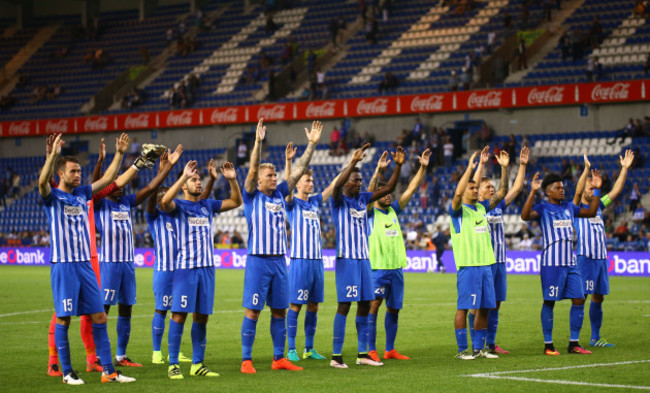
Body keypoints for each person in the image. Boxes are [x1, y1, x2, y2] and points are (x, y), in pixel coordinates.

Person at [39, 133, 136, 384]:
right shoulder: (53, 197)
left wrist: (120, 153)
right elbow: (41, 183)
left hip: (86, 266)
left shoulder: (83, 194)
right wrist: (52, 157)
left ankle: (108, 371)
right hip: (64, 265)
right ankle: (68, 372)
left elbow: (107, 179)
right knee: (64, 317)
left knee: (100, 316)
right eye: (73, 171)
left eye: (79, 171)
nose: (78, 175)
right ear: (61, 173)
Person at [240, 119, 321, 374]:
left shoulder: (279, 194)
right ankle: (246, 360)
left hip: (279, 262)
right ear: (259, 180)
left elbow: (299, 170)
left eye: (275, 175)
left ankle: (279, 358)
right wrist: (257, 142)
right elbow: (252, 170)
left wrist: (311, 145)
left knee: (279, 312)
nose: (275, 179)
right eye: (270, 176)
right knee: (253, 312)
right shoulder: (252, 196)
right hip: (258, 261)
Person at [94, 144, 179, 369]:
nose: (121, 186)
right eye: (115, 184)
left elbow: (151, 187)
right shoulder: (100, 205)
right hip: (110, 265)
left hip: (127, 266)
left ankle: (121, 357)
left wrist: (167, 167)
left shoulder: (126, 203)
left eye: (123, 183)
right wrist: (101, 162)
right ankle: (97, 357)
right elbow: (95, 187)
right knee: (103, 311)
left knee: (126, 310)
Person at [160, 158, 242, 379]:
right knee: (179, 316)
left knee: (202, 317)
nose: (198, 182)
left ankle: (197, 364)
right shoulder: (179, 206)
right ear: (184, 185)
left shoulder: (207, 205)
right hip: (185, 269)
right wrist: (183, 177)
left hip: (207, 270)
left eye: (198, 179)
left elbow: (235, 202)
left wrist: (232, 181)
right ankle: (174, 364)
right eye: (193, 179)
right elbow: (164, 202)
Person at [329, 143, 405, 368]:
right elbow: (337, 185)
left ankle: (363, 354)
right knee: (344, 305)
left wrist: (398, 166)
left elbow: (389, 186)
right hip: (347, 260)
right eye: (355, 180)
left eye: (361, 181)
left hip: (364, 261)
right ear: (347, 182)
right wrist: (353, 162)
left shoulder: (364, 199)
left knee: (364, 304)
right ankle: (336, 356)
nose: (359, 183)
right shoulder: (338, 200)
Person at [521, 161, 603, 356]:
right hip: (552, 263)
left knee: (578, 300)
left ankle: (574, 343)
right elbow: (525, 216)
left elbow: (591, 212)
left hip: (571, 263)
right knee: (550, 301)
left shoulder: (569, 207)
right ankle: (548, 344)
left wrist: (597, 190)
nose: (562, 190)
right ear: (548, 192)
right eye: (558, 188)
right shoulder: (542, 209)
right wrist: (532, 192)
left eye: (562, 187)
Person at [147, 156, 218, 365]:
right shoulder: (155, 217)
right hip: (165, 270)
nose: (163, 197)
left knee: (182, 313)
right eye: (160, 194)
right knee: (163, 309)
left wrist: (211, 181)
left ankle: (175, 354)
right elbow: (156, 201)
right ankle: (157, 351)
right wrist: (161, 177)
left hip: (183, 269)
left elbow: (200, 200)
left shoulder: (181, 212)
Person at [365, 149, 431, 362]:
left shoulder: (393, 210)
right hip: (377, 269)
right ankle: (370, 349)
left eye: (389, 192)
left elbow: (411, 189)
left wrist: (422, 167)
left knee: (394, 309)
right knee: (373, 307)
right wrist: (377, 170)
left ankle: (390, 349)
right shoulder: (368, 213)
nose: (388, 194)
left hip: (396, 269)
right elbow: (368, 191)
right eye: (384, 192)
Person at [469, 145, 529, 354]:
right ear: (479, 192)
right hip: (483, 262)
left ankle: (491, 344)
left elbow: (516, 189)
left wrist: (520, 165)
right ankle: (477, 343)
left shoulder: (499, 206)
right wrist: (481, 166)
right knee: (478, 306)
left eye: (493, 187)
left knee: (495, 304)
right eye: (487, 188)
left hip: (500, 262)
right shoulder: (475, 209)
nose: (492, 190)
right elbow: (473, 187)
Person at [450, 149, 510, 360]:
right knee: (464, 308)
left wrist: (504, 167)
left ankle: (478, 349)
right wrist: (471, 167)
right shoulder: (457, 211)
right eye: (472, 188)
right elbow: (458, 194)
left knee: (485, 308)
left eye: (477, 188)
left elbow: (502, 192)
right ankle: (462, 351)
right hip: (468, 266)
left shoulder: (482, 209)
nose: (476, 191)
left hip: (487, 266)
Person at [283, 142, 339, 362]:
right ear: (299, 184)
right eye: (308, 180)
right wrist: (288, 162)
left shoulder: (315, 202)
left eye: (313, 180)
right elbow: (287, 185)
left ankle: (309, 348)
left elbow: (333, 187)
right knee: (295, 305)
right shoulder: (292, 203)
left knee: (313, 305)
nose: (312, 183)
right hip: (300, 261)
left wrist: (351, 163)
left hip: (317, 262)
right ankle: (291, 349)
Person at [573, 150, 634, 348]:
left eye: (594, 189)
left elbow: (615, 191)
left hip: (601, 260)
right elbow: (578, 190)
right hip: (586, 258)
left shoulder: (598, 207)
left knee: (599, 297)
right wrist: (585, 171)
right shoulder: (576, 209)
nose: (593, 191)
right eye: (590, 189)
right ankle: (574, 340)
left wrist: (624, 169)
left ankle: (595, 338)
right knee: (581, 299)